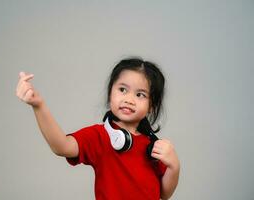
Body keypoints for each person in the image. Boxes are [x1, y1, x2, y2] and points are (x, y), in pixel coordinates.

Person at [15, 57, 180, 200]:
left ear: (152, 105)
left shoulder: (152, 144)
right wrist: (39, 106)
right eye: (122, 90)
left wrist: (174, 166)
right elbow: (62, 146)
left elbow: (164, 194)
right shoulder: (100, 136)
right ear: (110, 94)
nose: (129, 99)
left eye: (140, 94)